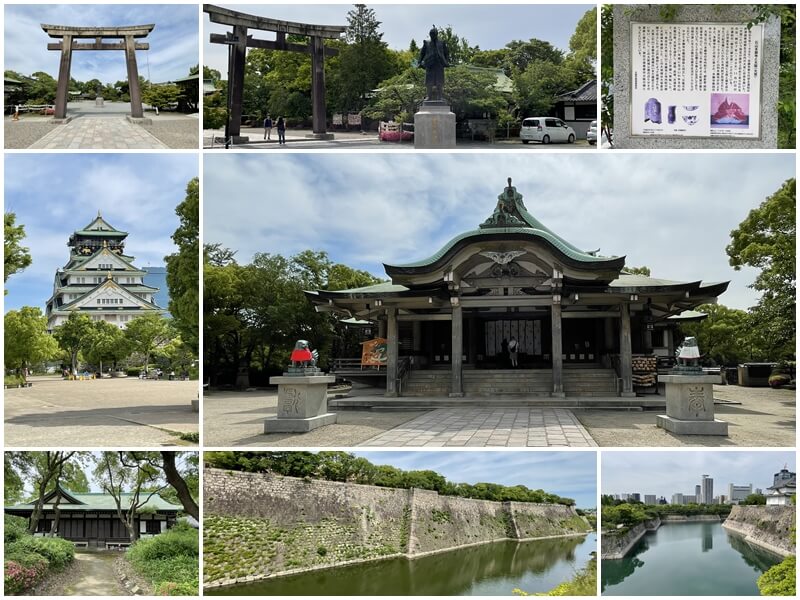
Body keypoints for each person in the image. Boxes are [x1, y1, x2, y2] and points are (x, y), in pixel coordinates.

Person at [418, 27, 450, 102]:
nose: (432, 36)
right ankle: (429, 96)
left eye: (434, 34)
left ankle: (440, 97)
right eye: (431, 34)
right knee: (429, 82)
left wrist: (446, 61)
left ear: (436, 34)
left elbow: (446, 53)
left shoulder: (442, 43)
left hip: (439, 64)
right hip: (429, 64)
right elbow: (422, 53)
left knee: (440, 82)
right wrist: (419, 62)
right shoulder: (426, 43)